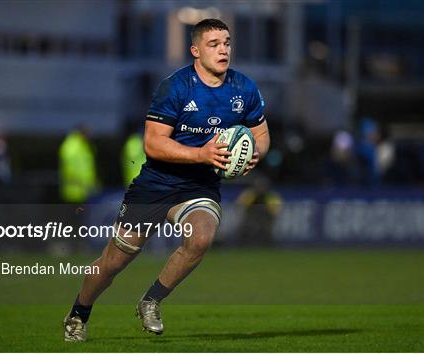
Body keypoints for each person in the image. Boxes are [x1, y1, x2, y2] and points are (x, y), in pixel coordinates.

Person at [63, 19, 270, 341]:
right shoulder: (175, 87)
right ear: (195, 51)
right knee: (114, 261)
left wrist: (255, 153)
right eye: (213, 44)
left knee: (200, 239)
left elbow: (261, 134)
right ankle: (79, 312)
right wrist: (200, 154)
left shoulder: (244, 88)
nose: (223, 49)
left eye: (226, 42)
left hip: (199, 187)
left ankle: (152, 300)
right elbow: (153, 144)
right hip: (157, 183)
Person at [58, 124, 99, 204]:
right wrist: (81, 183)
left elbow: (87, 168)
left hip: (83, 191)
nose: (90, 136)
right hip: (74, 192)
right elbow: (69, 169)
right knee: (75, 214)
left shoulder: (82, 145)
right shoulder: (72, 146)